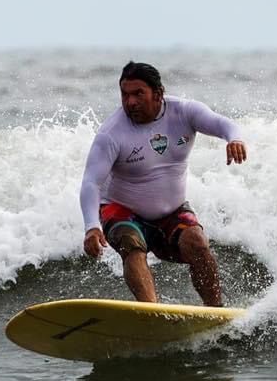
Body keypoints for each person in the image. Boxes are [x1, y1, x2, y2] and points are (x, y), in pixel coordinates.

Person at [79, 61, 248, 307]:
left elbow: (224, 124)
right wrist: (91, 227)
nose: (130, 102)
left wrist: (234, 139)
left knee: (197, 243)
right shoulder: (112, 134)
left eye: (138, 94)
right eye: (125, 95)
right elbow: (91, 183)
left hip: (172, 212)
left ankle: (215, 312)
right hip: (122, 210)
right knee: (131, 244)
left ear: (158, 94)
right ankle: (152, 312)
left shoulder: (184, 112)